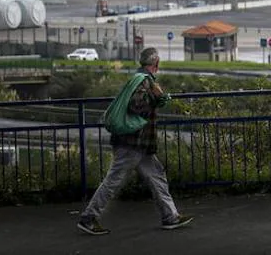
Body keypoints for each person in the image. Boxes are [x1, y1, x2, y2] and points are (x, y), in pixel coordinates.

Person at [77, 48, 193, 236]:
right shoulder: (144, 81)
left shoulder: (137, 78)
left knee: (157, 176)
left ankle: (170, 216)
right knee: (113, 180)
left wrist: (157, 97)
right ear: (156, 64)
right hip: (132, 143)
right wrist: (155, 97)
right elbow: (137, 106)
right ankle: (88, 218)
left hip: (140, 144)